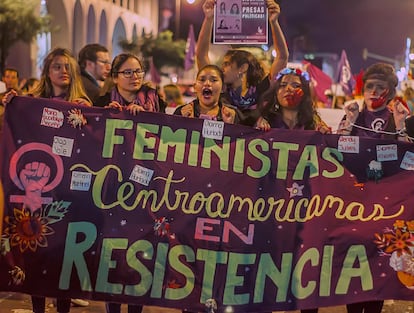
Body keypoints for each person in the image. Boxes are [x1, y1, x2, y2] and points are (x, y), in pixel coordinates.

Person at [2, 47, 92, 313]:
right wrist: (12, 104)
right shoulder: (31, 102)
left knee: (63, 257)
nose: (63, 71)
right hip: (38, 193)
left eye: (67, 67)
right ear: (47, 71)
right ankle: (38, 308)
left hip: (70, 195)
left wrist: (93, 117)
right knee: (37, 253)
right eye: (57, 66)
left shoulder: (83, 105)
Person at [196, 0, 288, 126]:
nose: (222, 68)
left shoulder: (263, 90)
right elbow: (201, 56)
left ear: (243, 68)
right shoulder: (220, 90)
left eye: (227, 64)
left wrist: (274, 22)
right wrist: (208, 19)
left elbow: (282, 57)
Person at [337, 63, 410, 143]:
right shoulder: (350, 117)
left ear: (391, 94)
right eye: (369, 86)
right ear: (363, 91)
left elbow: (406, 152)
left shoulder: (397, 120)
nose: (373, 92)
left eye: (381, 87)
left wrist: (400, 126)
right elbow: (337, 149)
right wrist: (349, 123)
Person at [256, 67, 331, 134]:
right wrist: (257, 130)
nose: (288, 88)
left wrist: (325, 134)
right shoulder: (267, 122)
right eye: (283, 85)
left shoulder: (313, 124)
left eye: (295, 86)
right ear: (276, 92)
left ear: (305, 93)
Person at [95, 53, 163, 116]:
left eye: (138, 71)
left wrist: (144, 116)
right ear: (115, 77)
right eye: (127, 72)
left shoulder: (156, 100)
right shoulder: (102, 103)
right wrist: (105, 115)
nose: (135, 77)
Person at [174, 64, 242, 124]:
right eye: (202, 80)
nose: (207, 83)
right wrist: (183, 122)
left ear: (223, 88)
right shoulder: (181, 113)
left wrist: (230, 126)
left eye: (214, 80)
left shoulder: (233, 115)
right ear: (195, 87)